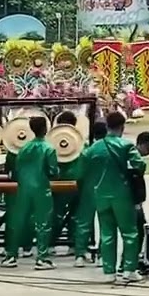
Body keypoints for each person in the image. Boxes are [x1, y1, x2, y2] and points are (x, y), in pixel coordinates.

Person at [82, 110, 147, 283]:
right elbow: (140, 165)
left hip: (101, 195)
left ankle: (108, 272)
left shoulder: (94, 147)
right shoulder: (126, 145)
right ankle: (129, 269)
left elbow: (83, 166)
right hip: (122, 195)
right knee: (130, 233)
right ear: (122, 127)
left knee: (107, 233)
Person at [4, 116, 60, 270]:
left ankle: (11, 256)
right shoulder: (49, 149)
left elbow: (16, 169)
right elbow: (53, 171)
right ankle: (41, 258)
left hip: (23, 189)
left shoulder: (23, 148)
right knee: (43, 223)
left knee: (18, 222)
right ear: (45, 128)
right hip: (41, 189)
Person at [53, 111, 92, 264]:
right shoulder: (82, 142)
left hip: (59, 183)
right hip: (80, 182)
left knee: (56, 214)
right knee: (78, 216)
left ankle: (51, 243)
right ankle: (77, 247)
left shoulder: (52, 140)